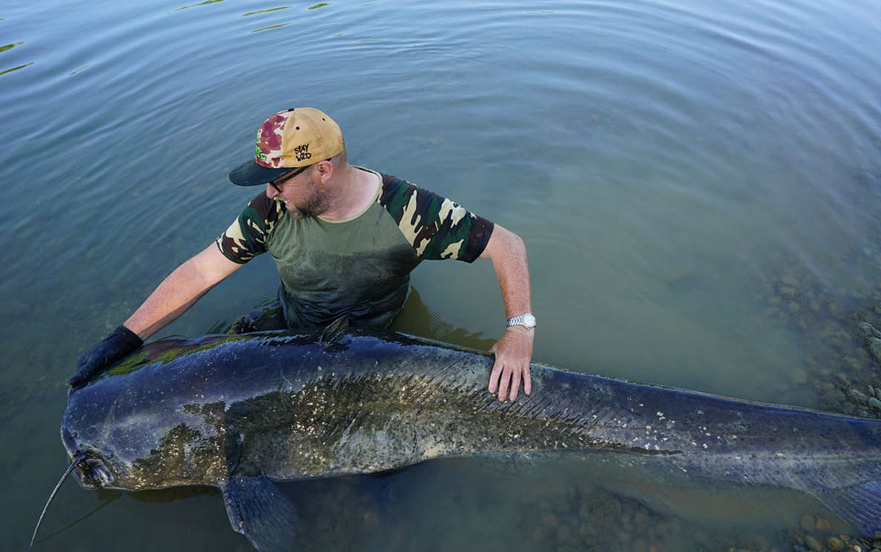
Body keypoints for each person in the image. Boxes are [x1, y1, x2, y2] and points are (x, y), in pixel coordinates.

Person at [70, 107, 535, 401]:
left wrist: (518, 333)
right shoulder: (271, 210)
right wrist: (124, 340)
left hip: (373, 343)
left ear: (324, 171)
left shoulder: (408, 211)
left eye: (279, 181)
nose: (269, 192)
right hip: (294, 330)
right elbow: (201, 271)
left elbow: (507, 246)